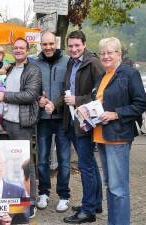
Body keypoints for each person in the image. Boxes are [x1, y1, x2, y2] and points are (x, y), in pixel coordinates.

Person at [83, 37, 146, 225]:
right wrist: (86, 111)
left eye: (110, 52)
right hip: (100, 136)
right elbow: (100, 103)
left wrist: (115, 114)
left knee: (118, 188)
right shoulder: (102, 76)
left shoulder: (129, 74)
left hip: (117, 137)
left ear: (119, 54)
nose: (105, 56)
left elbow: (140, 104)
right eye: (102, 53)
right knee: (110, 186)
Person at [44, 30, 105, 223]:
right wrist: (55, 103)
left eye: (77, 45)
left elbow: (102, 94)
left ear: (84, 44)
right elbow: (66, 91)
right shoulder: (72, 62)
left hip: (86, 122)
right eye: (70, 46)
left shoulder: (93, 63)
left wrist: (77, 100)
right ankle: (95, 203)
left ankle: (87, 211)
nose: (73, 49)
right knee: (90, 164)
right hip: (72, 121)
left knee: (86, 166)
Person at [0, 37, 41, 218]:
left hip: (22, 124)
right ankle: (12, 199)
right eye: (16, 48)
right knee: (7, 164)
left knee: (26, 164)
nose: (18, 50)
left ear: (27, 51)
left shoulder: (33, 69)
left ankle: (31, 201)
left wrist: (3, 96)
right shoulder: (10, 68)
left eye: (22, 48)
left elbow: (30, 95)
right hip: (3, 124)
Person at [34, 31, 73, 213]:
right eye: (44, 44)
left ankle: (64, 195)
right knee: (42, 159)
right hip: (42, 119)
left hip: (63, 118)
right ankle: (43, 192)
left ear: (56, 43)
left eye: (51, 44)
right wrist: (37, 100)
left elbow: (71, 87)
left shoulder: (67, 61)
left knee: (64, 160)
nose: (48, 47)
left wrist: (56, 104)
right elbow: (31, 87)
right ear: (40, 45)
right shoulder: (34, 62)